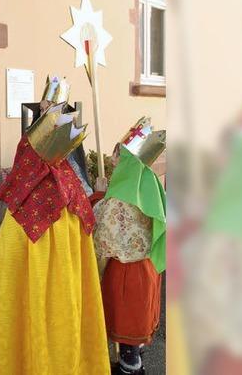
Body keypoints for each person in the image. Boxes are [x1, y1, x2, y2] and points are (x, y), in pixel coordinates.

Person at [0, 103, 110, 374]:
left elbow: (3, 259)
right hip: (67, 304)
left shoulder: (20, 211)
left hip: (29, 307)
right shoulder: (74, 196)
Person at [92, 118, 166, 375]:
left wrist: (98, 196)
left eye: (117, 155)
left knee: (127, 335)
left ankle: (130, 367)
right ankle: (135, 359)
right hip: (149, 268)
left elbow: (103, 230)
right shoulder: (149, 183)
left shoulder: (121, 194)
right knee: (138, 330)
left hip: (126, 274)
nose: (114, 161)